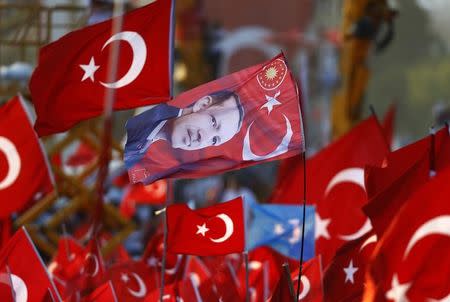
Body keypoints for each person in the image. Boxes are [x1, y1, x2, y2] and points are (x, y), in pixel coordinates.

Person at [124, 90, 244, 167]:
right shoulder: (145, 108)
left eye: (214, 140)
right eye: (213, 122)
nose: (203, 138)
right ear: (203, 105)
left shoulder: (145, 154)